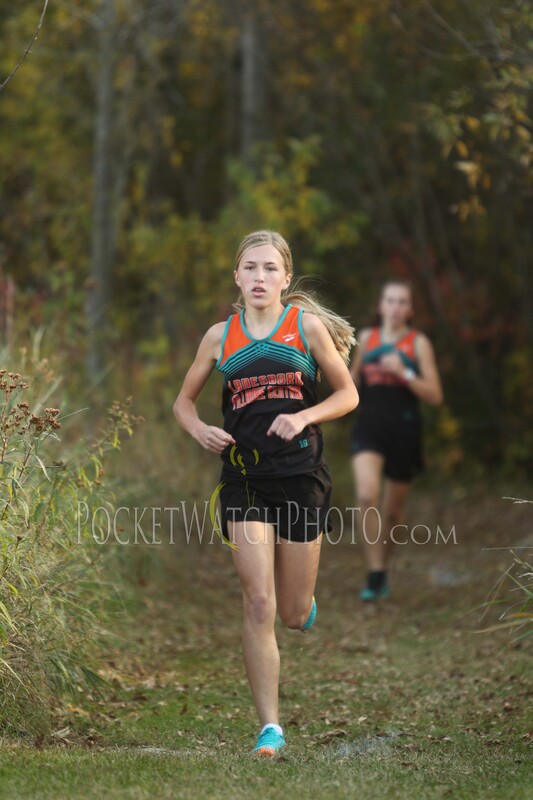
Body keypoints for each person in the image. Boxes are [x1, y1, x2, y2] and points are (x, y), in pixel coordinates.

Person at [173, 230, 358, 756]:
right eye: (250, 268)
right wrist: (199, 429)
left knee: (292, 614)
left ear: (286, 277)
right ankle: (270, 728)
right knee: (258, 602)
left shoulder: (305, 327)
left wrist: (303, 416)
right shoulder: (219, 337)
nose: (260, 277)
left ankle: (303, 604)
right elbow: (183, 403)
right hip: (244, 480)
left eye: (270, 268)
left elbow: (348, 394)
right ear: (236, 276)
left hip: (301, 477)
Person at [349, 280, 443, 602]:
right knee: (366, 495)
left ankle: (382, 569)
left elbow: (435, 395)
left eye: (402, 302)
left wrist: (405, 373)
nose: (395, 307)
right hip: (369, 427)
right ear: (381, 306)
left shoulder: (418, 344)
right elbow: (351, 383)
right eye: (390, 300)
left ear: (410, 309)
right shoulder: (367, 338)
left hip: (404, 430)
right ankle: (375, 572)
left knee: (392, 511)